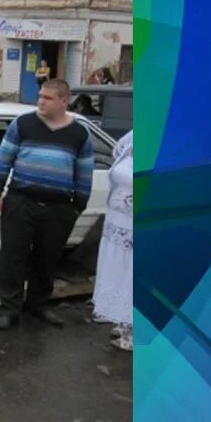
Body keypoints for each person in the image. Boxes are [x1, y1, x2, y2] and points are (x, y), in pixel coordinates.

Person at [0, 79, 94, 330]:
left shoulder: (79, 134)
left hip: (58, 207)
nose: (41, 101)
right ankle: (9, 309)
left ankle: (38, 305)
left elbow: (84, 173)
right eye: (40, 96)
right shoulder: (23, 124)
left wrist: (76, 208)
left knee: (47, 259)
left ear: (63, 102)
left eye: (47, 98)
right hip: (20, 201)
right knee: (13, 257)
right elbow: (4, 159)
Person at [92, 130, 133, 350]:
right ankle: (122, 318)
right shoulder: (132, 139)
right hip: (117, 222)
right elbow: (116, 152)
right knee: (118, 271)